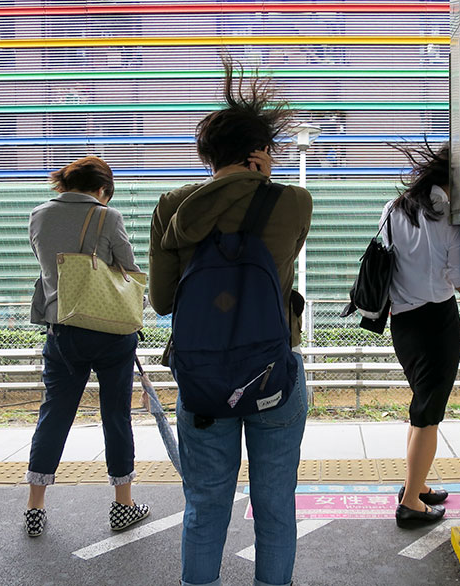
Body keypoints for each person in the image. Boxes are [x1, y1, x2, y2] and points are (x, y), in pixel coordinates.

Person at [148, 62, 312, 586]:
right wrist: (260, 185)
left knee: (206, 503)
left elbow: (162, 300)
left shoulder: (171, 207)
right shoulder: (293, 201)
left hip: (202, 380)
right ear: (260, 153)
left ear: (207, 155)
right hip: (273, 375)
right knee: (274, 503)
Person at [25, 156, 150, 537]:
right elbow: (126, 267)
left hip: (62, 329)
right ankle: (122, 505)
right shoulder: (106, 216)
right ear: (101, 189)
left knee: (55, 415)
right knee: (116, 415)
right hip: (109, 332)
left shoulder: (39, 215)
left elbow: (48, 266)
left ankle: (34, 507)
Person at [382, 142, 460, 529]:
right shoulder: (448, 215)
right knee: (428, 415)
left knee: (421, 407)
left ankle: (414, 485)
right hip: (437, 322)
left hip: (403, 322)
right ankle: (412, 503)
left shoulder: (395, 208)